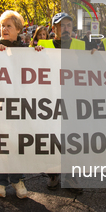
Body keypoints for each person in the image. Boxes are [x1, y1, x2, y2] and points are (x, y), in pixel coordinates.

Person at [37, 12, 85, 193]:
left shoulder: (82, 46)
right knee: (53, 139)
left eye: (68, 26)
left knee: (73, 139)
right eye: (61, 26)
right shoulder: (43, 45)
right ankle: (54, 175)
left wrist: (95, 55)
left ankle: (72, 177)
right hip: (50, 99)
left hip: (73, 99)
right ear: (54, 28)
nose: (65, 29)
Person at [0, 10, 30, 199]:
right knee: (2, 143)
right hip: (1, 106)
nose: (4, 29)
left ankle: (17, 179)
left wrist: (38, 54)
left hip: (22, 105)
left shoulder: (27, 50)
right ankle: (0, 182)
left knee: (19, 143)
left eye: (9, 26)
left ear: (18, 30)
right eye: (2, 26)